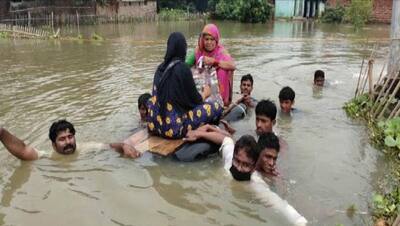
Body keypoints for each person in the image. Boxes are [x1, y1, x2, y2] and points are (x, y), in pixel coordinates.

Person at [184, 125, 307, 225]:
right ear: (233, 156)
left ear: (254, 168)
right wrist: (199, 134)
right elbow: (226, 140)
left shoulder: (256, 185)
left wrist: (300, 221)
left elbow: (280, 205)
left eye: (246, 165)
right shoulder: (229, 159)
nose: (239, 168)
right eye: (237, 161)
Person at [147, 32, 223, 139]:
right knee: (216, 106)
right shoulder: (182, 68)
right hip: (173, 129)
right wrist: (205, 93)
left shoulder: (160, 68)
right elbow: (196, 101)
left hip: (154, 124)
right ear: (183, 49)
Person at [0, 120, 141, 161]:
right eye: (62, 139)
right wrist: (1, 133)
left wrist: (123, 146)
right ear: (53, 145)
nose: (68, 142)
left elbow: (109, 146)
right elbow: (24, 150)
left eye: (70, 137)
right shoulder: (49, 156)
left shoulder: (84, 148)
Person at [195, 24, 236, 107]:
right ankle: (202, 98)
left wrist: (215, 62)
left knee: (222, 71)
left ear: (216, 40)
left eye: (212, 39)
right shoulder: (199, 50)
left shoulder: (221, 51)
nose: (209, 42)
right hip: (204, 85)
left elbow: (233, 66)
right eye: (206, 39)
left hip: (219, 86)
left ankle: (221, 102)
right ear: (203, 40)